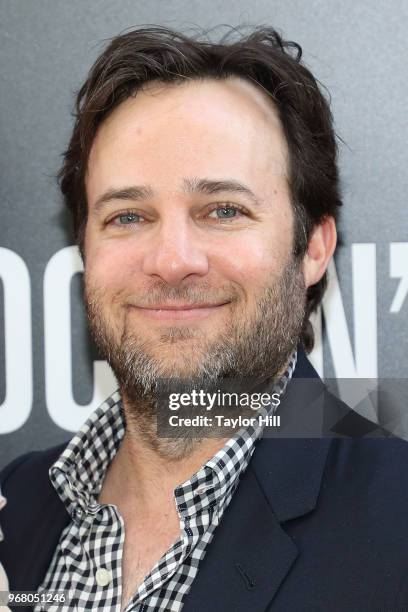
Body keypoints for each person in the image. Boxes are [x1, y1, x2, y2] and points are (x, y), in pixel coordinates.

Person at [1, 25, 408, 612]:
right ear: (85, 249)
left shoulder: (395, 517)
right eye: (128, 216)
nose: (171, 261)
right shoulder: (18, 504)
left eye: (222, 209)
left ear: (313, 248)